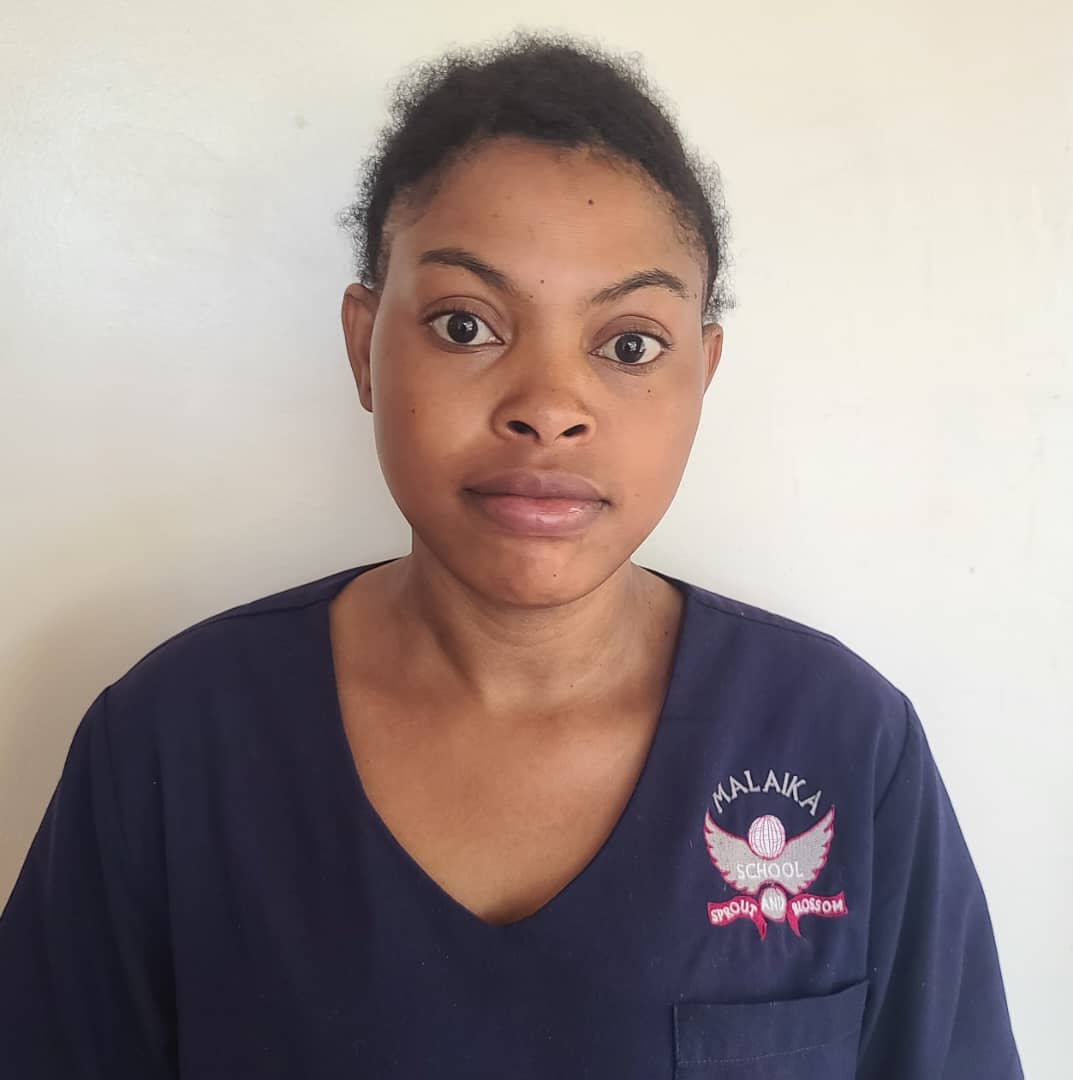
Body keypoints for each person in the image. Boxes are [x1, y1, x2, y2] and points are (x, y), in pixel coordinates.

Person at [0, 29, 1022, 1079]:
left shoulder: (840, 741)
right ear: (363, 346)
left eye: (628, 344)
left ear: (702, 375)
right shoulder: (174, 744)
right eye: (465, 326)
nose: (547, 406)